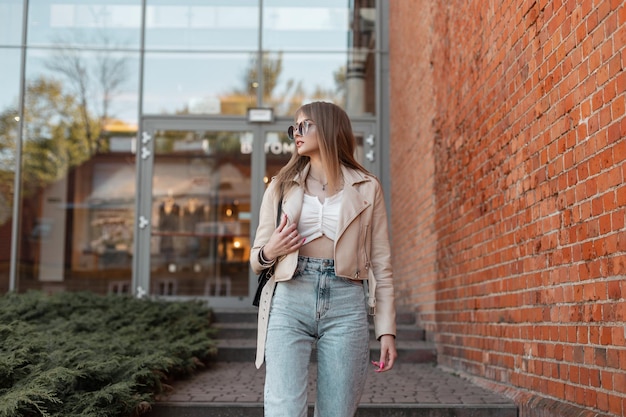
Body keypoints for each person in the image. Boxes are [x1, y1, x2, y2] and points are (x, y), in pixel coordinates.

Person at [250, 101, 397, 417]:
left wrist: (386, 330)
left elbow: (381, 263)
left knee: (337, 411)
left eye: (305, 126)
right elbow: (256, 259)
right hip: (290, 297)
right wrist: (271, 250)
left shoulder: (367, 187)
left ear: (329, 129)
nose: (296, 134)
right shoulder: (280, 186)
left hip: (346, 300)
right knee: (283, 410)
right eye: (294, 128)